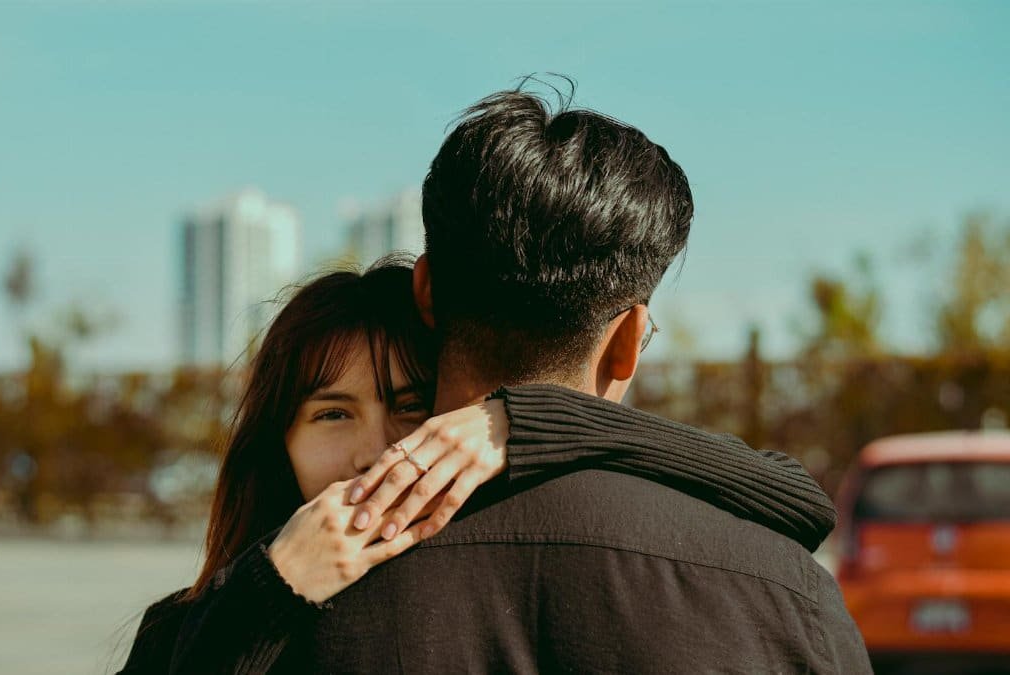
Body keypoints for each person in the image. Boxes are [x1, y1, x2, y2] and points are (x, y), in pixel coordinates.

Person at [245, 88, 871, 673]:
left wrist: (524, 420)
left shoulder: (286, 595)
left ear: (426, 290)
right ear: (628, 341)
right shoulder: (787, 595)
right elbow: (803, 505)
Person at [120, 261, 840, 674]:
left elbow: (796, 497)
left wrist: (529, 422)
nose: (377, 450)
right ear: (279, 442)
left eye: (409, 406)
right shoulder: (192, 624)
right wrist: (275, 586)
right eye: (332, 414)